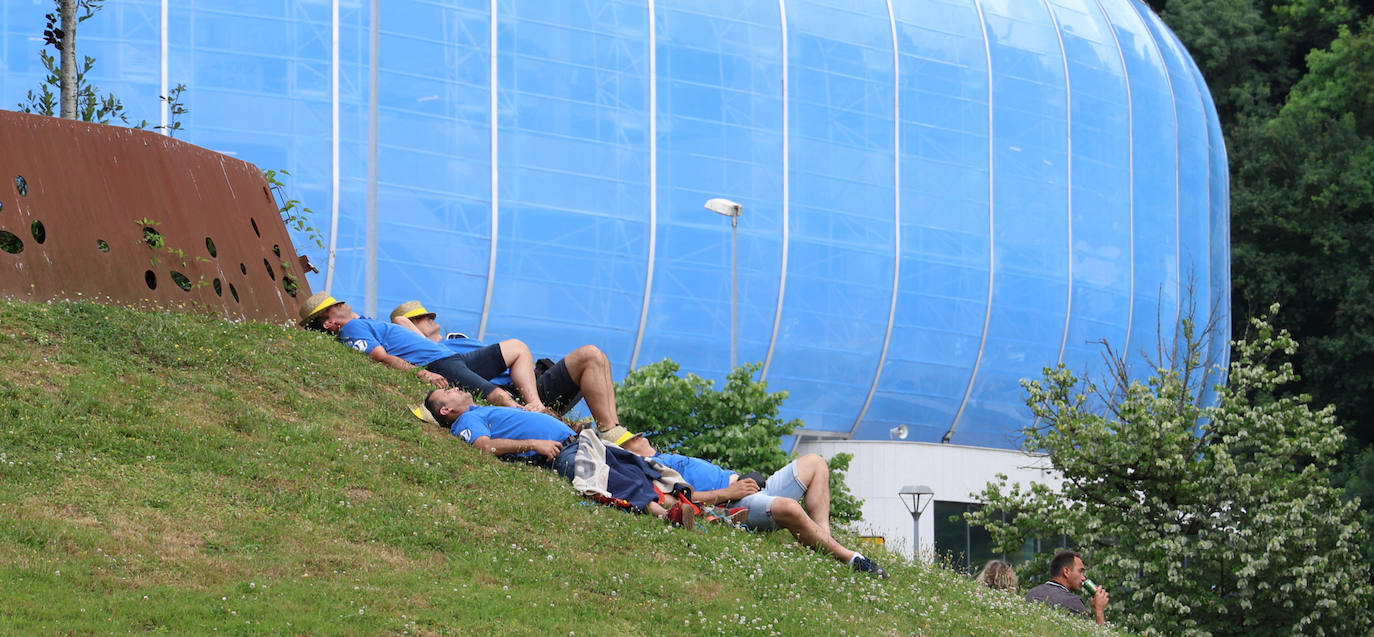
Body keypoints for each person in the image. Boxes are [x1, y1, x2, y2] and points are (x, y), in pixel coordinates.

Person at [388, 300, 652, 456]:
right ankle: (609, 437)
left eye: (428, 315)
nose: (428, 318)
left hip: (531, 386)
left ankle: (611, 430)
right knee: (587, 354)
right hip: (516, 399)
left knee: (593, 356)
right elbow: (399, 320)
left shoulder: (455, 341)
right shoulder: (431, 354)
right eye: (419, 317)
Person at [422, 386, 677, 519]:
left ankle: (679, 508)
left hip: (579, 442)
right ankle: (664, 515)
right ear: (446, 410)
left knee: (636, 467)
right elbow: (484, 446)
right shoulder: (465, 421)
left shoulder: (478, 411)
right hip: (561, 452)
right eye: (448, 392)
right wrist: (534, 444)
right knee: (610, 479)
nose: (454, 389)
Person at [649, 451, 888, 578]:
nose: (639, 436)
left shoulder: (665, 456)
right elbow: (675, 500)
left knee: (815, 462)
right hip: (732, 502)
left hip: (750, 487)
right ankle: (851, 558)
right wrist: (728, 492)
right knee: (789, 507)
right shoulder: (643, 468)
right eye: (633, 437)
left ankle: (824, 538)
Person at [1024, 550, 1108, 626]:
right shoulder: (1073, 601)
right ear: (1066, 572)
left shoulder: (1032, 593)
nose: (1083, 578)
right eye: (1080, 571)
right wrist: (1099, 611)